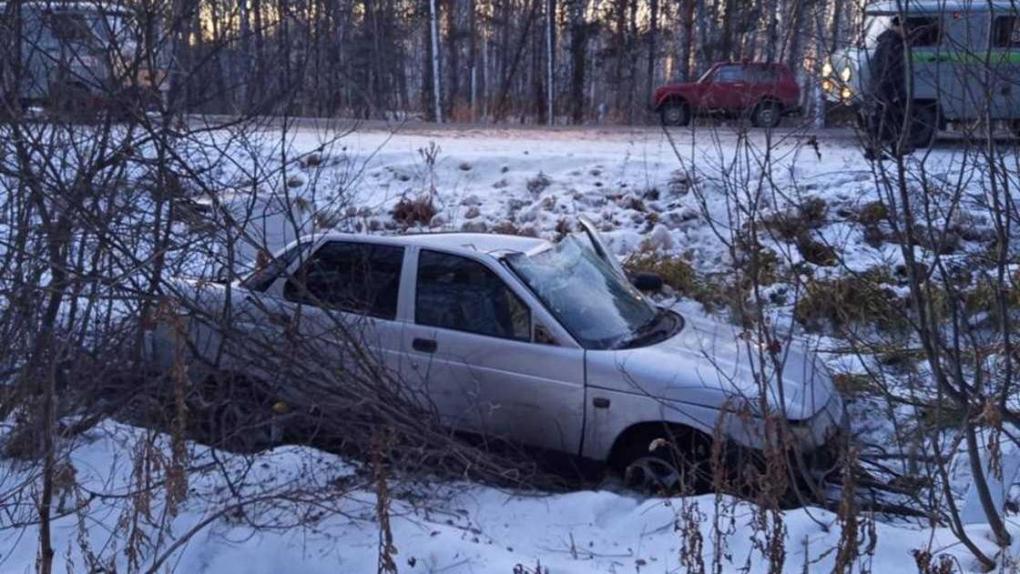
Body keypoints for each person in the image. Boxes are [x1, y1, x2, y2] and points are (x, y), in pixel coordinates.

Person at [865, 17, 908, 160]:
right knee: (884, 120)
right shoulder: (890, 43)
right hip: (886, 88)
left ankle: (895, 149)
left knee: (892, 120)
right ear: (897, 26)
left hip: (886, 88)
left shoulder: (893, 42)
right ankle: (875, 150)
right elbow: (887, 69)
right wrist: (893, 90)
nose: (907, 31)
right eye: (905, 28)